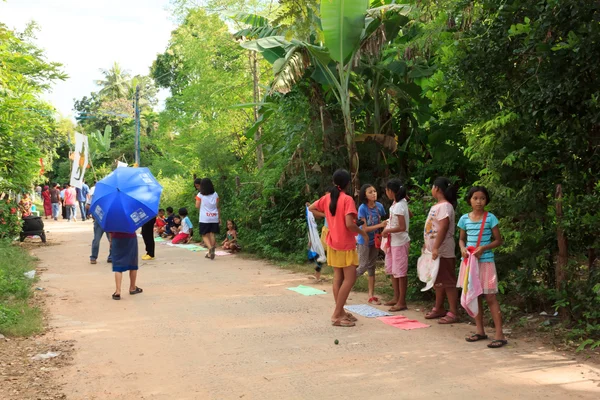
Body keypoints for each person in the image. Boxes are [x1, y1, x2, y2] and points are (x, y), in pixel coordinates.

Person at [309, 169, 368, 328]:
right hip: (346, 244)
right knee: (350, 279)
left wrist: (327, 216)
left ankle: (340, 311)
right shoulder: (347, 200)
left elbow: (311, 208)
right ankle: (336, 314)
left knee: (338, 278)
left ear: (334, 182)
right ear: (348, 183)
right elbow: (350, 224)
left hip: (333, 243)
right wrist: (363, 232)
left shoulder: (327, 198)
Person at [458, 186, 506, 348]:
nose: (479, 202)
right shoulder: (464, 219)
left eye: (482, 198)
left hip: (486, 262)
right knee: (475, 295)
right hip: (470, 263)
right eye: (475, 198)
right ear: (469, 200)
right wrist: (462, 249)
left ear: (486, 200)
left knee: (490, 297)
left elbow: (499, 240)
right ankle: (480, 331)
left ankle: (500, 334)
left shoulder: (491, 218)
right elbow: (461, 239)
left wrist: (483, 248)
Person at [423, 177, 459, 324]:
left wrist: (436, 246)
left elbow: (443, 227)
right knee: (437, 280)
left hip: (443, 250)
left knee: (448, 280)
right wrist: (428, 246)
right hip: (434, 251)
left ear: (436, 188)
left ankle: (453, 312)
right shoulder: (436, 206)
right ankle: (438, 308)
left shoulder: (445, 206)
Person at [356, 184, 387, 305]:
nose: (374, 193)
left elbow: (384, 221)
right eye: (370, 192)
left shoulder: (379, 206)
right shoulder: (362, 208)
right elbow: (364, 229)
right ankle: (345, 285)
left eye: (374, 191)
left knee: (372, 267)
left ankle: (371, 295)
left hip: (375, 240)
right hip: (364, 241)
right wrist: (380, 225)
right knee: (362, 266)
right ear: (365, 195)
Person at [382, 179, 410, 312]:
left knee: (400, 272)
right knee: (394, 270)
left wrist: (388, 230)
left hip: (399, 241)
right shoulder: (399, 203)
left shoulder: (399, 205)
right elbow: (407, 216)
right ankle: (396, 297)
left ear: (391, 191)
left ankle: (402, 301)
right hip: (393, 241)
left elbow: (402, 226)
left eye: (387, 190)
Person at [110, 231, 142, 300]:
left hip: (116, 238)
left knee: (118, 266)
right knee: (132, 262)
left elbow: (109, 230)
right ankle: (132, 287)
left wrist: (111, 241)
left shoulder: (112, 220)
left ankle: (118, 291)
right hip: (131, 237)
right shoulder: (131, 219)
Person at [195, 178, 220, 260]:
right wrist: (219, 217)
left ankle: (210, 248)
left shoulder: (200, 195)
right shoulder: (215, 194)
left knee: (204, 234)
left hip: (204, 218)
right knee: (212, 234)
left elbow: (197, 206)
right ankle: (211, 251)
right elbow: (217, 206)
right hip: (214, 216)